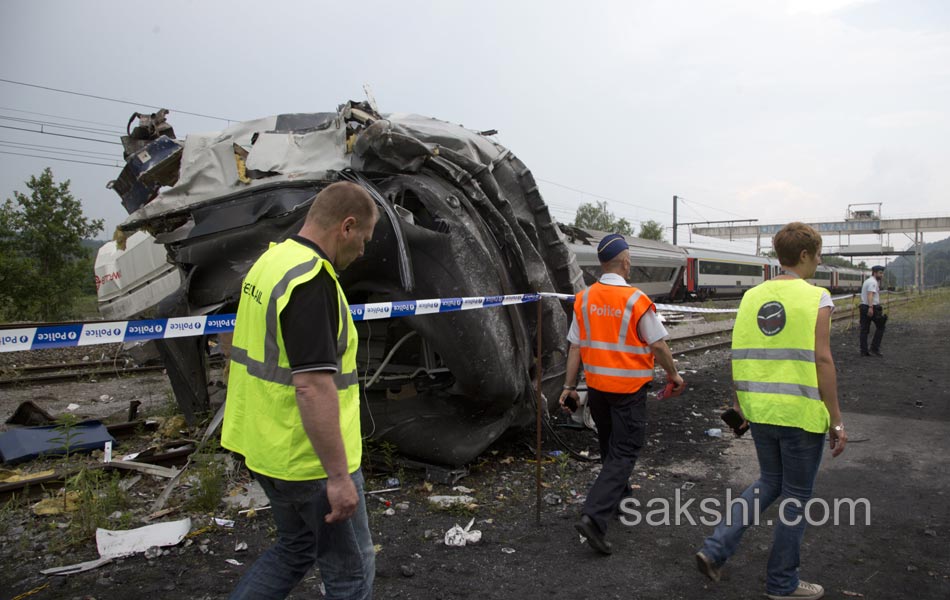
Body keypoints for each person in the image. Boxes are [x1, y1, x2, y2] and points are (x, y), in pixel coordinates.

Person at [222, 181, 379, 600]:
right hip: (307, 461)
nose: (363, 251)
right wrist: (339, 477)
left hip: (265, 448)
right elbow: (312, 386)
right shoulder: (311, 281)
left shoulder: (270, 262)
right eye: (363, 239)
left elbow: (235, 344)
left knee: (296, 548)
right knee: (352, 572)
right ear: (346, 227)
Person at [694, 222, 848, 600]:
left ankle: (715, 549)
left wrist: (738, 403)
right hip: (800, 416)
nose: (819, 262)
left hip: (760, 410)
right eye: (818, 255)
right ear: (805, 255)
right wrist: (837, 420)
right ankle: (782, 583)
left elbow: (741, 354)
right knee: (795, 497)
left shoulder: (751, 297)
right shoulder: (818, 298)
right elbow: (823, 360)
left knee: (769, 483)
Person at [559, 233, 685, 555]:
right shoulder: (635, 300)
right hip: (628, 391)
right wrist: (673, 374)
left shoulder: (583, 298)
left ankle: (621, 501)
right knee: (625, 451)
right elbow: (657, 344)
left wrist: (569, 387)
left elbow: (575, 346)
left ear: (602, 264)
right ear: (626, 261)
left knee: (610, 446)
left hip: (598, 390)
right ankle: (594, 516)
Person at [859, 265, 886, 357]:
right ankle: (874, 348)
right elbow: (870, 294)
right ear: (874, 273)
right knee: (881, 326)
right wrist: (871, 308)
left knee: (864, 330)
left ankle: (864, 351)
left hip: (863, 306)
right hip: (871, 307)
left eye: (882, 273)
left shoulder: (868, 281)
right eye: (880, 273)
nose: (882, 275)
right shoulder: (873, 282)